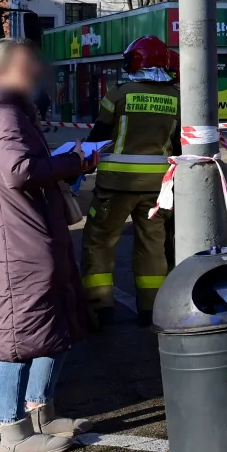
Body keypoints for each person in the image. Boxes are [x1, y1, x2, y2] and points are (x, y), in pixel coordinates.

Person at [0, 39, 97, 452]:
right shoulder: (1, 113)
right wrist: (74, 161)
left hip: (29, 234)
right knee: (19, 331)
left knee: (48, 323)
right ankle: (9, 432)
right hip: (20, 239)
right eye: (28, 65)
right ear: (4, 71)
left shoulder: (6, 109)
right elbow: (20, 171)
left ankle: (40, 413)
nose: (36, 72)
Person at [80, 35, 180, 327]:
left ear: (137, 61)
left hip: (115, 186)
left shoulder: (118, 94)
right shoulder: (176, 97)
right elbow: (179, 145)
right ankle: (152, 310)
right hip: (158, 189)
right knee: (152, 245)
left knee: (99, 242)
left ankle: (100, 308)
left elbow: (98, 138)